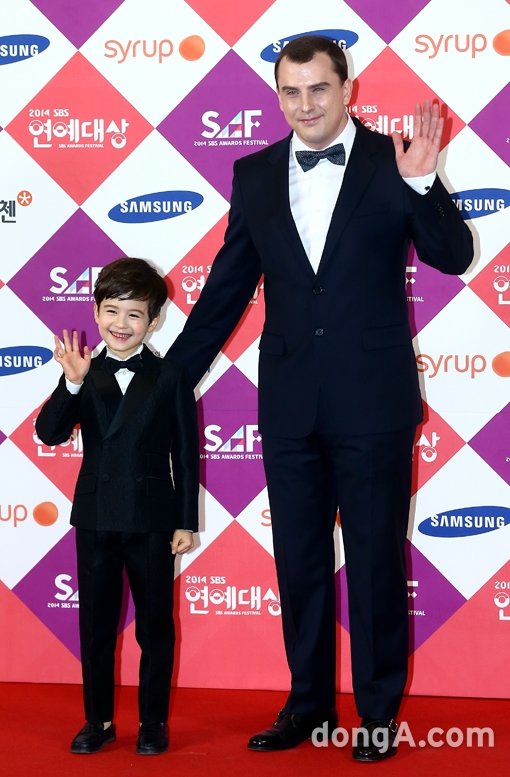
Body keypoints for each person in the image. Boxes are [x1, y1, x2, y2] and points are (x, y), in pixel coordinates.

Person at [166, 35, 473, 761]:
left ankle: (377, 714)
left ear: (347, 89)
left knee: (374, 562)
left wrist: (424, 185)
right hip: (290, 405)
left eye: (319, 89)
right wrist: (166, 378)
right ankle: (306, 703)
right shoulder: (254, 174)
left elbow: (454, 256)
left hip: (374, 403)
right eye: (291, 91)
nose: (305, 105)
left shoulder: (393, 160)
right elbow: (227, 289)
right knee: (299, 564)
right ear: (278, 96)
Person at [36, 257, 199, 756]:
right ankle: (99, 721)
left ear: (154, 320)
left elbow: (186, 454)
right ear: (96, 312)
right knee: (95, 628)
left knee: (155, 628)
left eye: (134, 314)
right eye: (112, 311)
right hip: (96, 518)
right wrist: (71, 383)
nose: (121, 324)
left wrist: (185, 522)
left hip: (152, 520)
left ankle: (152, 722)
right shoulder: (83, 370)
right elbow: (49, 432)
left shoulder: (170, 375)